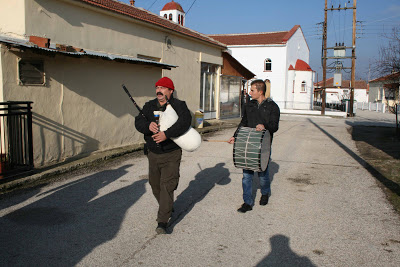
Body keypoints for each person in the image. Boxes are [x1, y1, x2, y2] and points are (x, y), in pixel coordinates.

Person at [135, 77, 192, 234]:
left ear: (170, 91)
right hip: (153, 153)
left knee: (167, 186)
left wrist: (166, 134)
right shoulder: (149, 106)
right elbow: (138, 122)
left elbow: (185, 121)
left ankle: (162, 221)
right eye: (157, 87)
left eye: (163, 87)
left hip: (171, 153)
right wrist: (148, 125)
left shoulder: (179, 106)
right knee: (155, 185)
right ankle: (167, 206)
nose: (158, 90)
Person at [228, 79, 280, 213]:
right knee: (246, 176)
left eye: (252, 90)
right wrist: (235, 135)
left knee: (262, 174)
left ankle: (265, 193)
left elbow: (274, 127)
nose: (250, 92)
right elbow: (243, 122)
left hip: (264, 146)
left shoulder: (273, 107)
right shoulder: (249, 105)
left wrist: (265, 126)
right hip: (247, 143)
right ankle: (247, 202)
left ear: (260, 91)